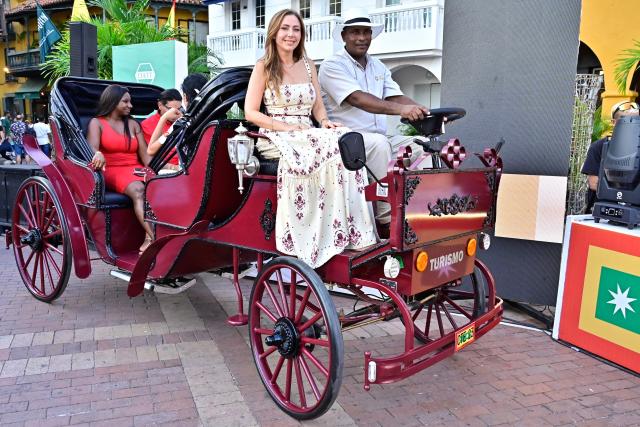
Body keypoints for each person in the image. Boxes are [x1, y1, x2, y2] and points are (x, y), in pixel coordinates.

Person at [245, 9, 377, 268]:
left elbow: (317, 105)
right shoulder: (263, 67)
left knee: (345, 138)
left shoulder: (307, 64)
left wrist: (325, 121)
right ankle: (317, 234)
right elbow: (251, 112)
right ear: (274, 32)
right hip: (276, 133)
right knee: (327, 145)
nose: (290, 34)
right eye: (285, 28)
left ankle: (349, 230)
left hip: (307, 131)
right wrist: (284, 127)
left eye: (295, 29)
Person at [318, 8, 430, 231]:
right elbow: (357, 98)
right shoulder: (332, 66)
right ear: (344, 36)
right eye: (355, 32)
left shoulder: (378, 66)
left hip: (378, 138)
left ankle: (421, 210)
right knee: (379, 146)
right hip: (346, 140)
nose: (361, 38)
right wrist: (402, 110)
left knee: (423, 147)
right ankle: (387, 221)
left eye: (366, 32)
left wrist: (424, 111)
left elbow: (395, 96)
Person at [87, 85, 154, 253]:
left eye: (130, 101)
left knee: (163, 186)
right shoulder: (97, 123)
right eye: (125, 101)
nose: (130, 105)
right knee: (138, 189)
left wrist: (169, 170)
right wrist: (98, 153)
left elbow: (146, 158)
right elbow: (91, 148)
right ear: (112, 101)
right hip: (111, 169)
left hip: (136, 168)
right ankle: (155, 238)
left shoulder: (132, 124)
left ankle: (149, 238)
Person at [581, 100, 640, 212]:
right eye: (625, 120)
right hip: (604, 208)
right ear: (614, 122)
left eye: (636, 119)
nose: (632, 123)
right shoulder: (598, 147)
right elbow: (593, 183)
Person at [147, 74, 208, 168]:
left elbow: (150, 150)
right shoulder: (214, 120)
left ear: (185, 97)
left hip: (186, 175)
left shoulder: (182, 123)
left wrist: (163, 118)